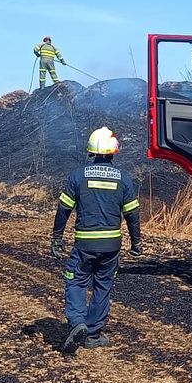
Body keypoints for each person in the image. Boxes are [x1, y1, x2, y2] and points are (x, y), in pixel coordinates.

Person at [51, 126, 141, 352]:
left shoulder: (78, 176)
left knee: (76, 281)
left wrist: (57, 237)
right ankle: (93, 334)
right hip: (112, 246)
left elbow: (63, 210)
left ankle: (78, 322)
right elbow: (132, 214)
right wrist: (136, 243)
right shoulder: (124, 179)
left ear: (91, 151)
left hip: (85, 245)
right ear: (113, 152)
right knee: (103, 286)